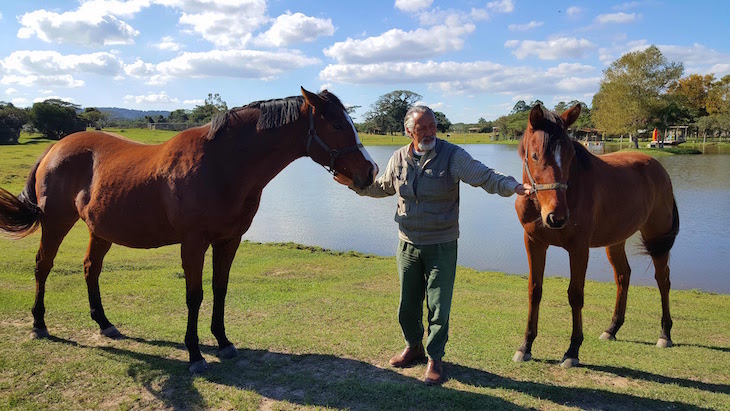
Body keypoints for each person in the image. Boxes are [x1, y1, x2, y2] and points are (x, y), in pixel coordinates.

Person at [334, 106, 531, 385]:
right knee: (407, 305)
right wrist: (353, 184)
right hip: (408, 244)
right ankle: (413, 347)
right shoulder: (399, 157)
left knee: (438, 306)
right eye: (422, 128)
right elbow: (382, 188)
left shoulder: (452, 156)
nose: (429, 132)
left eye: (432, 126)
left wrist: (514, 186)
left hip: (441, 244)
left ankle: (435, 358)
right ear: (409, 131)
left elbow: (483, 175)